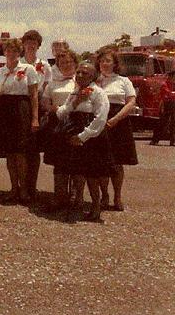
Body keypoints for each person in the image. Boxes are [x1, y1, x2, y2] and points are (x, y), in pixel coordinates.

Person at [54, 61, 111, 222]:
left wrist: (83, 136)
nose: (80, 75)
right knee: (78, 171)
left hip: (92, 137)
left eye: (84, 73)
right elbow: (61, 113)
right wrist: (76, 102)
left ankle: (96, 206)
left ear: (93, 76)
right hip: (73, 134)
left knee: (93, 174)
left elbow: (100, 118)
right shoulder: (75, 92)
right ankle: (77, 202)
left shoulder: (98, 93)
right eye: (78, 72)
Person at [0, 38, 39, 203]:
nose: (11, 54)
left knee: (20, 153)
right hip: (5, 111)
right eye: (8, 50)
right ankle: (13, 188)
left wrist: (35, 118)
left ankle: (24, 189)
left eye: (14, 51)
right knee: (10, 154)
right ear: (4, 52)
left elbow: (34, 95)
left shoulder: (28, 69)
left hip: (22, 109)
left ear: (19, 53)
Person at [41, 49, 86, 214]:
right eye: (62, 63)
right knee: (59, 163)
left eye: (69, 62)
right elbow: (45, 102)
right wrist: (52, 108)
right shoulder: (53, 82)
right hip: (57, 124)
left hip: (76, 122)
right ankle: (60, 197)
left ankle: (78, 198)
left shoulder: (82, 81)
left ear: (75, 63)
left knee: (77, 163)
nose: (66, 65)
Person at [95, 48, 138, 211]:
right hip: (98, 121)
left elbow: (131, 102)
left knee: (117, 162)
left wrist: (115, 119)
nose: (104, 64)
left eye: (108, 61)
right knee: (101, 162)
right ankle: (104, 196)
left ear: (115, 64)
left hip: (118, 122)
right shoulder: (95, 80)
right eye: (102, 61)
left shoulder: (123, 81)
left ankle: (117, 196)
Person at [20, 29, 51, 200]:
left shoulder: (44, 66)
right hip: (21, 103)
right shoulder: (18, 64)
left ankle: (32, 186)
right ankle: (20, 186)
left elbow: (47, 86)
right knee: (20, 150)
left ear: (38, 46)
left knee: (33, 150)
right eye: (28, 42)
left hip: (38, 104)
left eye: (35, 43)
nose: (31, 46)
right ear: (23, 45)